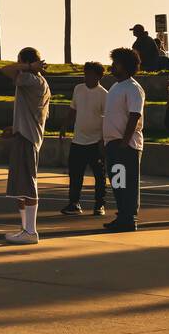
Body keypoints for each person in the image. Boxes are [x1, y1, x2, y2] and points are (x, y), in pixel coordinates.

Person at [0, 47, 50, 244]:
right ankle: (25, 228)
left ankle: (31, 231)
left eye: (20, 61)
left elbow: (6, 70)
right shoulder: (38, 81)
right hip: (24, 133)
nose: (18, 66)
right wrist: (15, 127)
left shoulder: (31, 79)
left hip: (28, 138)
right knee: (21, 186)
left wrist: (28, 67)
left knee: (28, 185)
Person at [103, 47, 145, 232]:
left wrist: (124, 142)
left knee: (127, 183)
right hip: (113, 143)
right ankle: (122, 216)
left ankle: (129, 219)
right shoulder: (115, 87)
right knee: (118, 183)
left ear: (125, 66)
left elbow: (135, 116)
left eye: (116, 63)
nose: (112, 66)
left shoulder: (133, 88)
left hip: (126, 145)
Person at [59, 61, 107, 216]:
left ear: (99, 76)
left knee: (99, 176)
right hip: (78, 141)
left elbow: (107, 119)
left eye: (91, 74)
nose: (87, 77)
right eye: (86, 74)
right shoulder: (78, 89)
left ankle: (99, 205)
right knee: (75, 174)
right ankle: (74, 203)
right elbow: (73, 109)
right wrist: (65, 125)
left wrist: (102, 140)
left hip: (95, 141)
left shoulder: (104, 94)